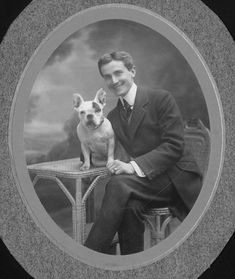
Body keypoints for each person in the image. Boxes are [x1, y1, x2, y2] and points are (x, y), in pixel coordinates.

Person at [84, 51, 202, 255]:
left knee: (119, 183)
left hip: (177, 179)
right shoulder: (112, 116)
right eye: (107, 76)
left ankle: (89, 255)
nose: (113, 80)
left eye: (118, 73)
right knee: (128, 206)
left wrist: (130, 167)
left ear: (132, 71)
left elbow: (174, 146)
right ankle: (132, 266)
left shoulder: (161, 99)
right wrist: (87, 125)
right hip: (143, 185)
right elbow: (102, 145)